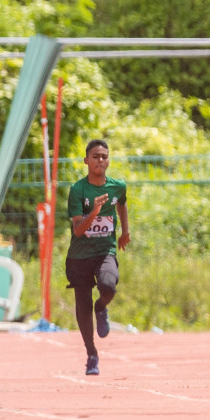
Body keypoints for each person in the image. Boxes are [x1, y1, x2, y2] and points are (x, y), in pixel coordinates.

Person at [66, 138, 130, 376]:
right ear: (86, 161)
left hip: (105, 250)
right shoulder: (78, 190)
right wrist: (93, 211)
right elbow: (78, 230)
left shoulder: (118, 186)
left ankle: (101, 307)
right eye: (95, 156)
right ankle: (91, 354)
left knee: (108, 285)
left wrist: (125, 231)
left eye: (104, 156)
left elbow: (121, 204)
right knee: (81, 305)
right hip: (80, 255)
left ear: (108, 160)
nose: (100, 160)